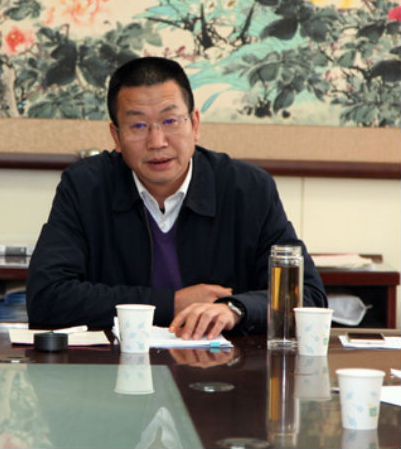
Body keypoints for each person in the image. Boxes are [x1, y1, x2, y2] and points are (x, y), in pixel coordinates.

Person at [26, 57, 326, 339]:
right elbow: (46, 297)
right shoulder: (86, 187)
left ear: (194, 124)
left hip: (223, 368)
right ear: (116, 137)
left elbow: (307, 296)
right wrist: (171, 303)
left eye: (170, 121)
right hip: (115, 368)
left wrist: (236, 309)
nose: (157, 142)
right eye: (138, 126)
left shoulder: (247, 189)